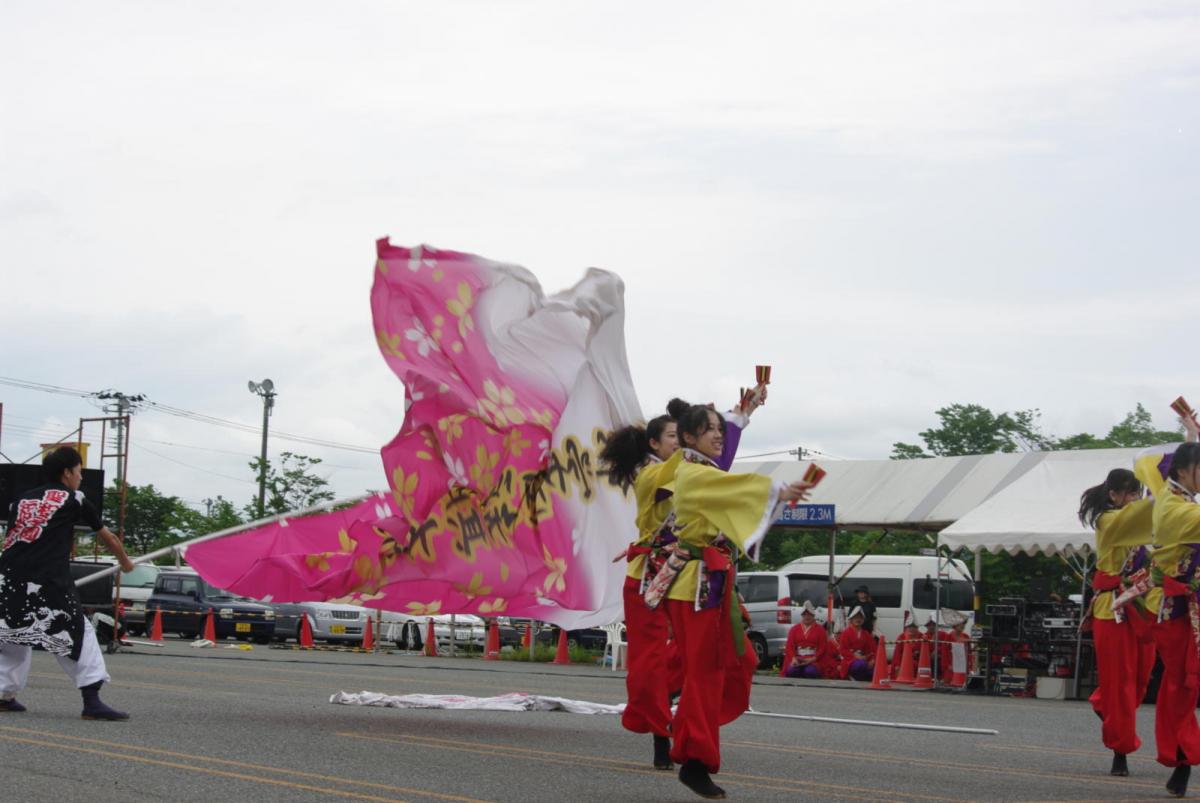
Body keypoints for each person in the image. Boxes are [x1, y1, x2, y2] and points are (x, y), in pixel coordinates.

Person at [600, 391, 763, 773]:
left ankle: (681, 705)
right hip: (652, 578)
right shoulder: (654, 474)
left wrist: (741, 414)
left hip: (693, 575)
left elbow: (713, 462)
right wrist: (726, 423)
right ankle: (663, 732)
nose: (678, 442)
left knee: (734, 655)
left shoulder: (689, 468)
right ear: (654, 444)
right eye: (672, 436)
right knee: (650, 666)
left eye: (681, 435)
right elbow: (703, 463)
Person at [660, 403, 812, 799]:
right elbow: (739, 486)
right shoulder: (693, 474)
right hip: (695, 587)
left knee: (733, 662)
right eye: (709, 429)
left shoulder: (699, 470)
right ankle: (694, 759)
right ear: (689, 437)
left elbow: (730, 482)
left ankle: (680, 730)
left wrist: (742, 414)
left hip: (707, 582)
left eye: (719, 429)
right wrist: (779, 490)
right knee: (706, 672)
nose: (718, 435)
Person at [0, 446, 133, 719]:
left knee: (13, 634)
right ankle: (92, 700)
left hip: (8, 577)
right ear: (67, 473)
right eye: (79, 472)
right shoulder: (74, 498)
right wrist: (126, 562)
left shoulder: (21, 501)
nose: (81, 478)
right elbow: (108, 537)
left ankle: (3, 695)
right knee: (78, 634)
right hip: (48, 581)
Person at [1079, 467, 1157, 777]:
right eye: (1130, 492)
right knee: (1121, 682)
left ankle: (1103, 704)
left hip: (1139, 606)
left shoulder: (1139, 522)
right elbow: (1135, 520)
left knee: (1141, 679)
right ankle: (1120, 750)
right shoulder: (1108, 520)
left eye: (1138, 491)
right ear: (1113, 494)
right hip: (1112, 610)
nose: (1135, 497)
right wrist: (1162, 492)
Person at [1145, 441, 1200, 797]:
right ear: (1183, 471)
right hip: (1180, 612)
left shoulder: (1171, 494)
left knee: (1182, 685)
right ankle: (1182, 758)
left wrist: (1190, 433)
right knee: (1183, 684)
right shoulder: (1178, 511)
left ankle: (1182, 757)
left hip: (1184, 608)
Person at [780, 601, 838, 680]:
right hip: (798, 658)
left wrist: (813, 659)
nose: (807, 617)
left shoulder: (820, 630)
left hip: (814, 660)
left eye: (809, 614)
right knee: (792, 671)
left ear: (813, 615)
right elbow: (790, 646)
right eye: (805, 615)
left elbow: (822, 648)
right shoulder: (794, 629)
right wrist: (793, 658)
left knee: (810, 671)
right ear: (802, 616)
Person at [836, 606, 876, 681]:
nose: (858, 620)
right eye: (856, 617)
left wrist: (872, 660)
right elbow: (843, 650)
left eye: (860, 618)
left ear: (863, 620)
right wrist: (855, 656)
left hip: (864, 659)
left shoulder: (866, 634)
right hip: (850, 660)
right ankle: (852, 675)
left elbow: (872, 649)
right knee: (861, 664)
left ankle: (857, 677)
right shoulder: (846, 633)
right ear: (851, 619)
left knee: (875, 671)